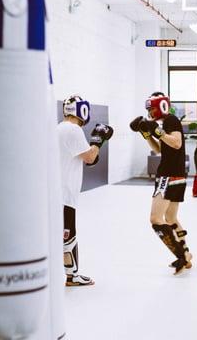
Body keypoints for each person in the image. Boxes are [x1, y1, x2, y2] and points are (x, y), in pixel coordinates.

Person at [130, 92, 192, 275]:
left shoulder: (170, 120)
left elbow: (177, 144)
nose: (150, 112)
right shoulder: (166, 123)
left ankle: (180, 255)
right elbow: (159, 149)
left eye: (152, 108)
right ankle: (187, 254)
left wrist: (158, 131)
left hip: (168, 176)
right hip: (176, 175)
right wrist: (147, 134)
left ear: (161, 106)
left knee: (155, 219)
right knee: (171, 219)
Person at [58, 95, 113, 286]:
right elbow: (90, 157)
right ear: (82, 110)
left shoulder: (58, 128)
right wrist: (98, 141)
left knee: (55, 234)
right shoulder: (73, 130)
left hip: (53, 192)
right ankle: (72, 276)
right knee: (68, 234)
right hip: (64, 194)